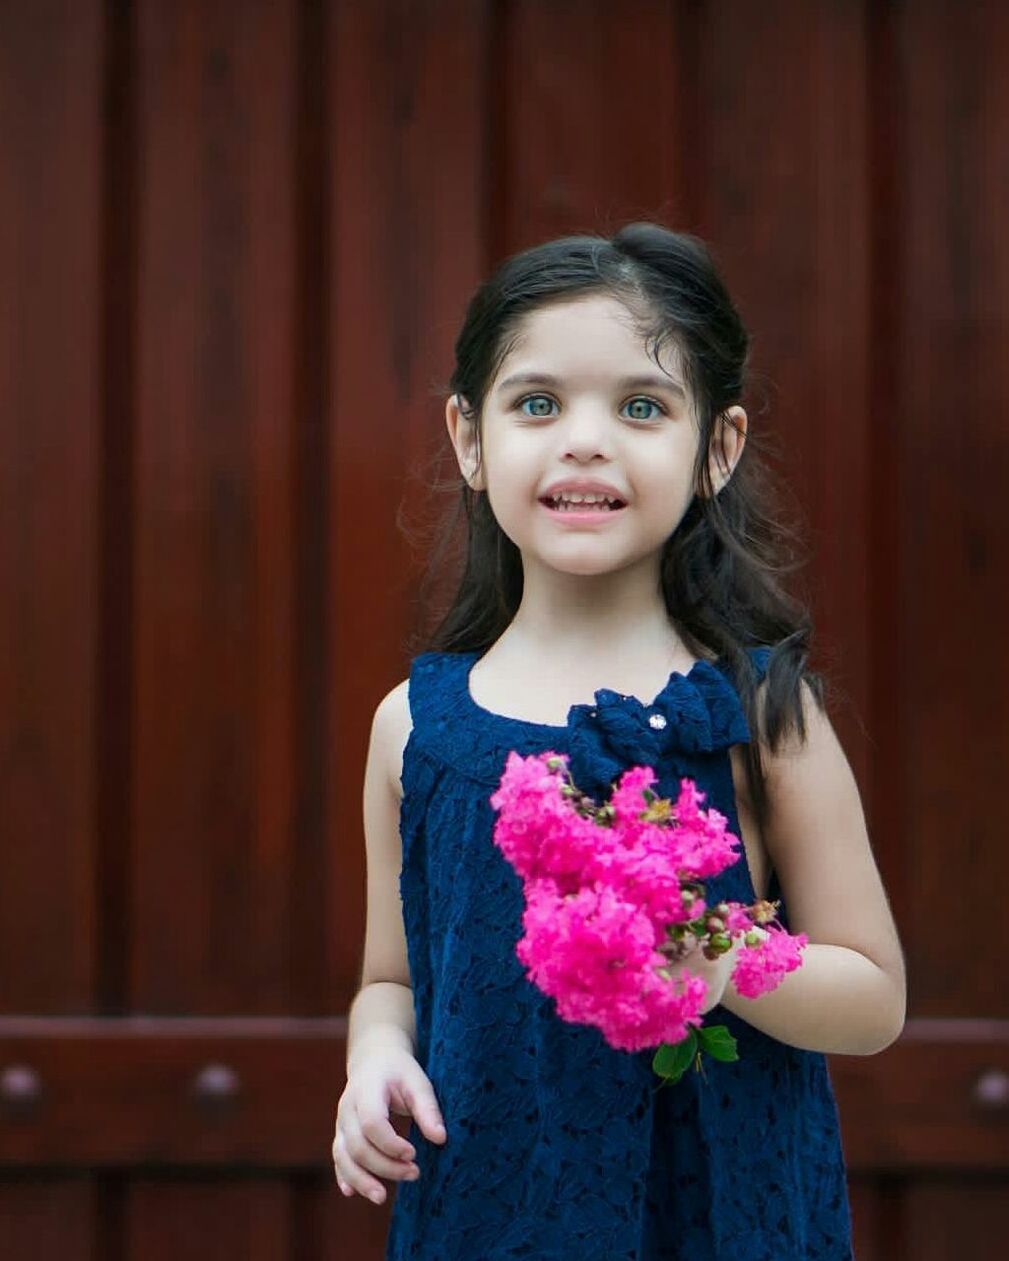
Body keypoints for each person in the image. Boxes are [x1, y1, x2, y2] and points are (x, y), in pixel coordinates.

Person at [333, 223, 906, 1260]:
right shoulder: (412, 728)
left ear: (716, 448)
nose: (584, 439)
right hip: (488, 1208)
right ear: (469, 437)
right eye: (537, 403)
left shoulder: (761, 714)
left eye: (640, 407)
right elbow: (394, 977)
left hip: (716, 1211)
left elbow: (872, 995)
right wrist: (373, 1056)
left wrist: (721, 960)